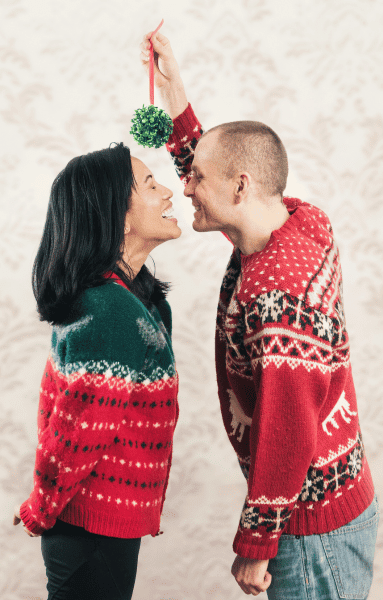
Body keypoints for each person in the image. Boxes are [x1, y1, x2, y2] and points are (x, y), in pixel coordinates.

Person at [140, 31, 379, 598]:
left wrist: (257, 544)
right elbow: (225, 183)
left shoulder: (277, 293)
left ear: (241, 186)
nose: (186, 188)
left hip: (310, 525)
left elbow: (289, 428)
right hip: (338, 498)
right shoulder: (299, 219)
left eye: (194, 178)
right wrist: (175, 97)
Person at [12, 143, 181, 600]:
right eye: (149, 185)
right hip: (89, 531)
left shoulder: (136, 299)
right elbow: (76, 431)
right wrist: (40, 509)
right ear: (119, 217)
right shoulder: (110, 309)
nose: (168, 193)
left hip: (106, 525)